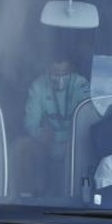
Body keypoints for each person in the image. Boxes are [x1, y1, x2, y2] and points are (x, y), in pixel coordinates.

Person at [18, 54, 91, 194]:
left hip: (74, 142)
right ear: (47, 70)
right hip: (46, 142)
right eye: (55, 73)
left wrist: (58, 136)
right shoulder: (38, 85)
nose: (60, 77)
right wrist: (39, 134)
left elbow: (84, 124)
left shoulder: (81, 84)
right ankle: (29, 196)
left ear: (72, 70)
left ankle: (76, 195)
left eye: (64, 73)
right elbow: (30, 122)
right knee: (21, 147)